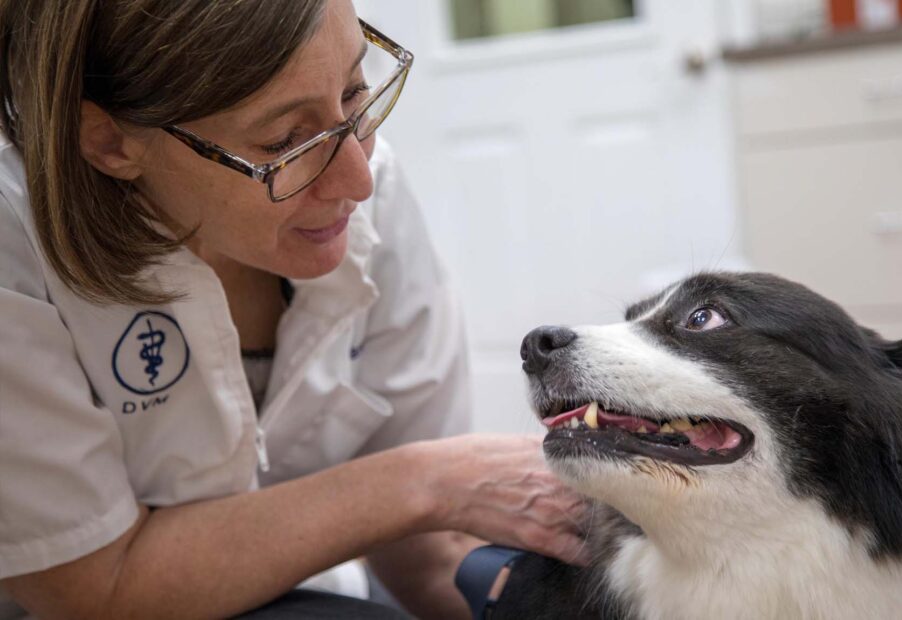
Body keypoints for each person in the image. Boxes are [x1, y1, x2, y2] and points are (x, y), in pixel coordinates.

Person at [0, 1, 587, 618]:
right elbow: (98, 586)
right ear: (109, 141)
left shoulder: (373, 191)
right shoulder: (14, 246)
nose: (358, 179)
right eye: (283, 142)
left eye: (355, 93)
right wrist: (427, 481)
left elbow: (430, 549)